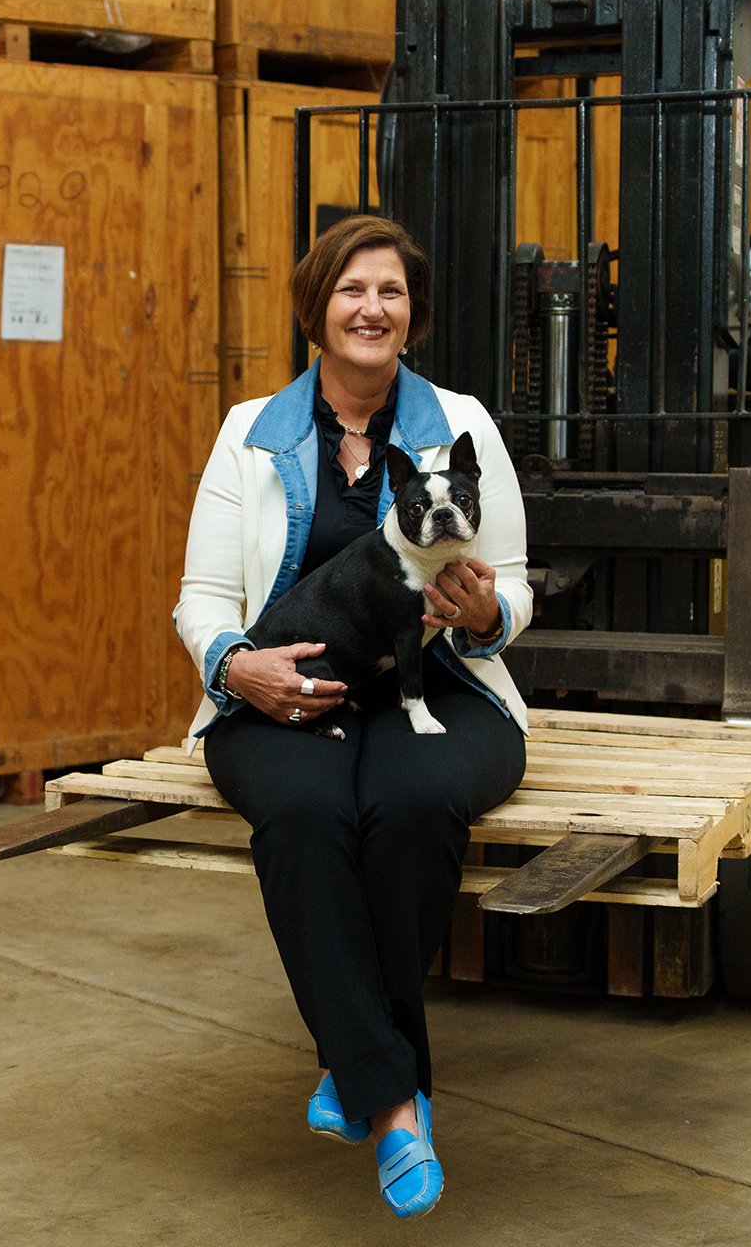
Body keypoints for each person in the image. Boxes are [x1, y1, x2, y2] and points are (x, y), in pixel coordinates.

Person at [173, 215, 531, 1219]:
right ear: (316, 309)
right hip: (284, 693)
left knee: (414, 805)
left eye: (391, 292)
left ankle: (357, 1075)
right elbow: (199, 597)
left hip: (439, 688)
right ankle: (396, 1107)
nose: (371, 308)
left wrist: (490, 612)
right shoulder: (251, 431)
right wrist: (235, 667)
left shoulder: (458, 424)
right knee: (306, 817)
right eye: (350, 290)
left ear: (410, 316)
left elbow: (515, 587)